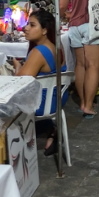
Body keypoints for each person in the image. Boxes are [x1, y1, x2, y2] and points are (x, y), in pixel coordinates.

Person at [13, 9, 66, 157]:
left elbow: (20, 81)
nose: (26, 28)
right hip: (57, 99)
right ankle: (49, 130)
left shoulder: (39, 52)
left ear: (44, 30)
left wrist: (17, 67)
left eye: (32, 25)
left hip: (42, 104)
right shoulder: (57, 47)